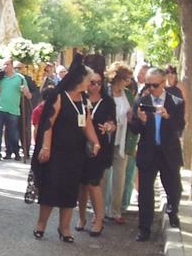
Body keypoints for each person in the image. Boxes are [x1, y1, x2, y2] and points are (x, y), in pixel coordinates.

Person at [33, 58, 99, 242]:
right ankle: (41, 225)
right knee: (52, 187)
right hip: (57, 151)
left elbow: (87, 124)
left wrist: (95, 142)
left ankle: (65, 228)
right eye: (89, 80)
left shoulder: (84, 100)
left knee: (70, 190)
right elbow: (48, 123)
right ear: (80, 79)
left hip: (75, 152)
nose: (91, 84)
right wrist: (46, 146)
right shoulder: (60, 97)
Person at [131, 68, 186, 242]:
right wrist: (141, 120)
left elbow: (180, 126)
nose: (151, 88)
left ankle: (173, 210)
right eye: (148, 85)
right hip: (148, 151)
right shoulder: (141, 101)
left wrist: (168, 117)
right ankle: (144, 228)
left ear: (163, 83)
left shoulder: (176, 101)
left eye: (154, 85)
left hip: (169, 151)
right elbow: (134, 129)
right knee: (145, 191)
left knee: (173, 186)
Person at [75, 68, 116, 236]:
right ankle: (82, 217)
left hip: (98, 148)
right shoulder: (80, 99)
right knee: (82, 185)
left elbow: (113, 123)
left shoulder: (107, 102)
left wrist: (109, 127)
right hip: (79, 146)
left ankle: (99, 219)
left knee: (93, 183)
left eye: (99, 83)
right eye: (93, 82)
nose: (96, 86)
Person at [102, 63, 138, 224]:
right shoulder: (105, 92)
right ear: (117, 78)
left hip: (123, 140)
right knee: (103, 176)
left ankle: (115, 210)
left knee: (119, 177)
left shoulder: (128, 94)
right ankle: (100, 209)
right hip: (106, 140)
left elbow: (132, 115)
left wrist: (132, 117)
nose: (128, 82)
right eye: (126, 79)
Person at [0, 57, 31, 160]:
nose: (5, 66)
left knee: (13, 133)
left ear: (12, 65)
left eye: (7, 64)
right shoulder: (0, 77)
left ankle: (16, 153)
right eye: (3, 64)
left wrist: (25, 91)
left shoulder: (20, 78)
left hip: (13, 109)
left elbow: (28, 95)